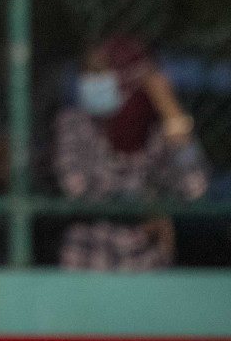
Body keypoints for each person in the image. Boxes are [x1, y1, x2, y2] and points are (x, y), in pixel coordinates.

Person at [52, 35, 208, 269]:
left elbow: (194, 187)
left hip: (146, 261)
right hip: (88, 258)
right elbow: (76, 185)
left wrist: (173, 114)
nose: (90, 83)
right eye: (88, 74)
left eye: (100, 73)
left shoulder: (158, 130)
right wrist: (148, 204)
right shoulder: (75, 122)